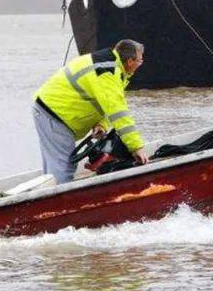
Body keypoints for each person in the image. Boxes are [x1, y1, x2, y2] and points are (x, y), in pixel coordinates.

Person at [32, 39, 149, 183]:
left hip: (51, 112)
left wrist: (101, 124)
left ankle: (50, 198)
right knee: (63, 167)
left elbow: (106, 104)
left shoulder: (111, 67)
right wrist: (136, 147)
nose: (140, 64)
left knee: (53, 169)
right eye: (140, 60)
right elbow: (119, 114)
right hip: (55, 114)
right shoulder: (107, 73)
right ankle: (63, 203)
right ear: (130, 61)